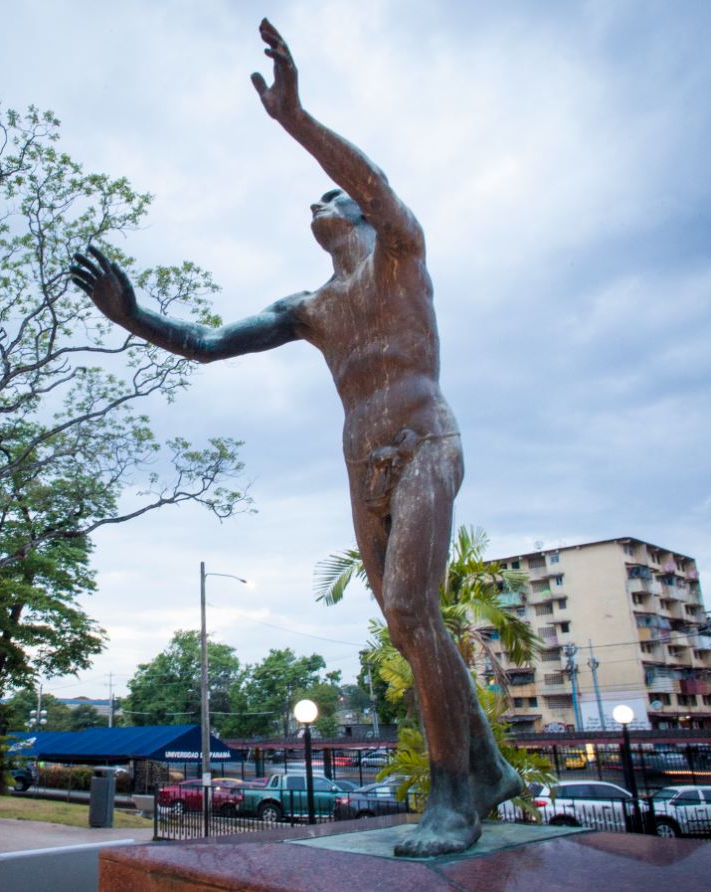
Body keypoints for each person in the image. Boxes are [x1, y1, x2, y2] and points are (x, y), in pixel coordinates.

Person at [71, 19, 521, 855]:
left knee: (417, 609)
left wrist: (294, 119)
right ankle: (489, 767)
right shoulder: (310, 310)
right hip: (362, 466)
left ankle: (455, 797)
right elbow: (207, 342)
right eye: (315, 198)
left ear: (360, 214)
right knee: (404, 621)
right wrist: (130, 316)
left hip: (425, 444)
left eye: (331, 197)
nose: (318, 203)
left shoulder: (400, 255)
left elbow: (375, 180)